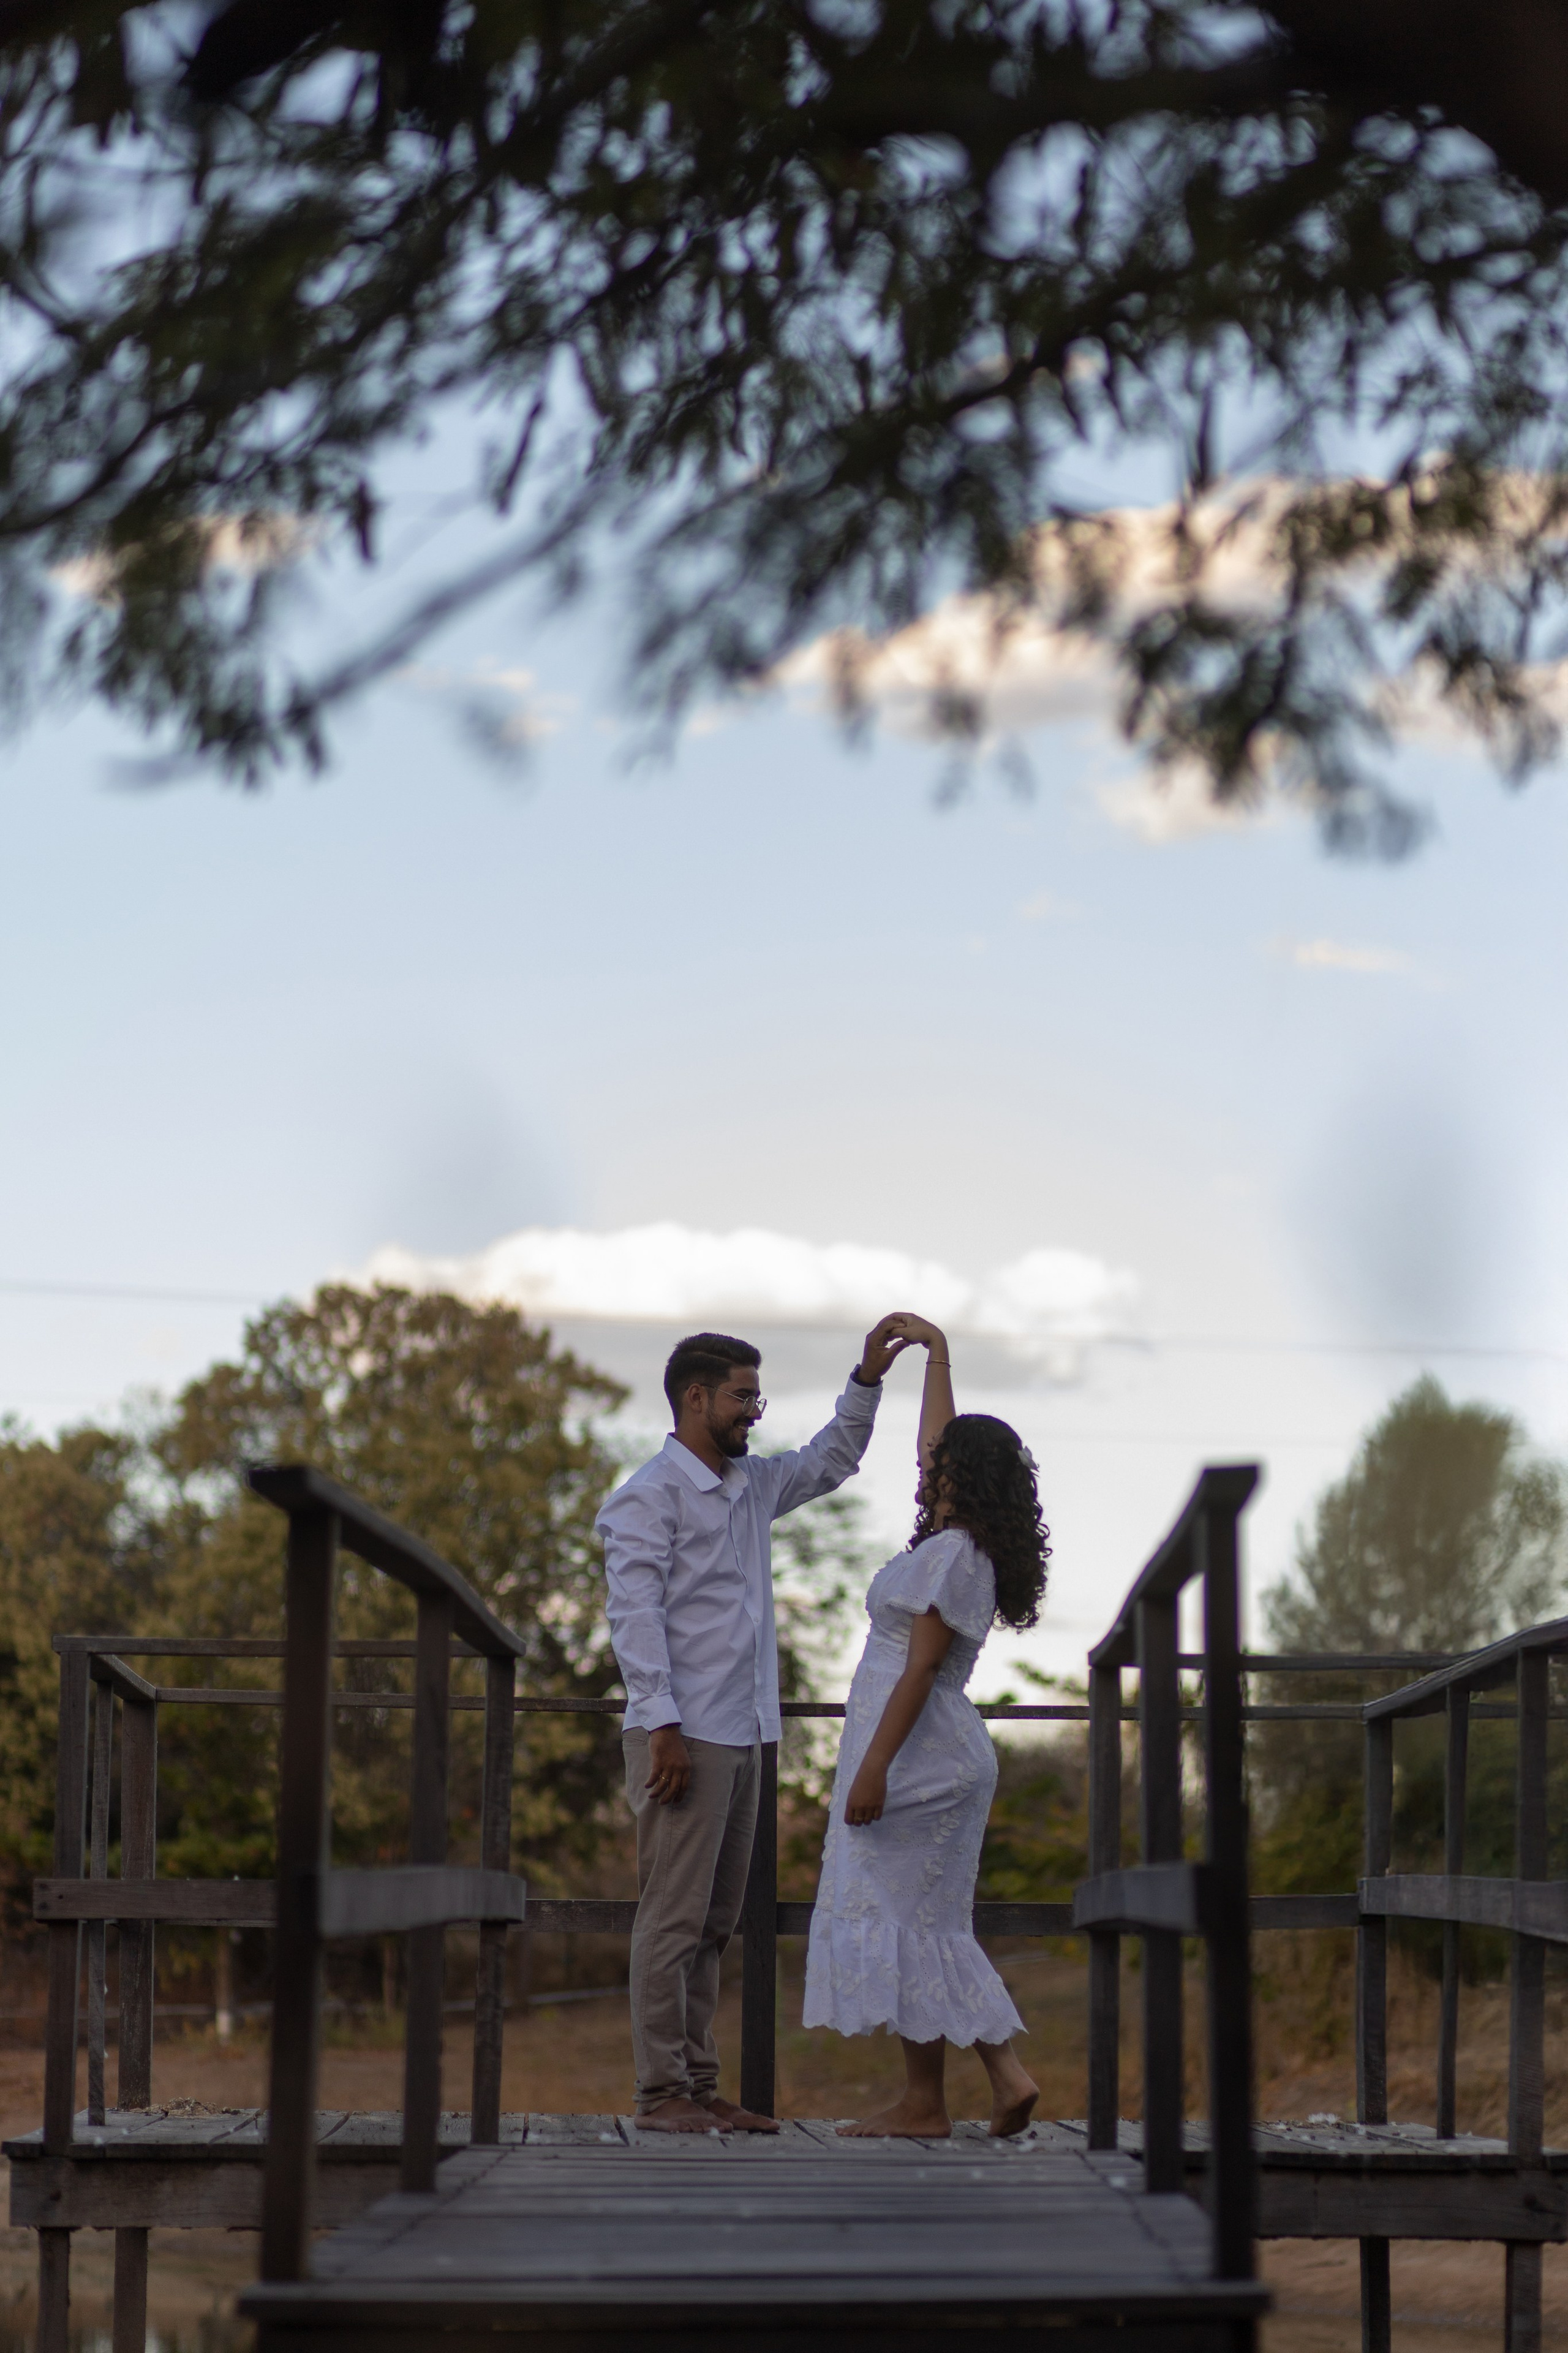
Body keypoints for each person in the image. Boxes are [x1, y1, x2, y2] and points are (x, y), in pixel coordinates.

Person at [597, 1315, 913, 2134]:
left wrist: (867, 1382)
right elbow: (634, 1616)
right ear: (694, 1398)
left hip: (744, 1733)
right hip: (682, 1736)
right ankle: (658, 2091)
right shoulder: (646, 1498)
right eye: (742, 1397)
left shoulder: (751, 1486)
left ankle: (699, 2087)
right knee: (670, 1916)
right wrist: (662, 1724)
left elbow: (829, 1459)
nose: (755, 1412)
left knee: (713, 1922)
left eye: (757, 1396)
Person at [803, 1314, 1050, 2138]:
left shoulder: (951, 1556)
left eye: (942, 1464)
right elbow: (936, 1439)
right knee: (922, 1924)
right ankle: (929, 2101)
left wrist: (872, 1768)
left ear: (965, 1478)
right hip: (924, 1750)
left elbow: (917, 1670)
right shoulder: (963, 1545)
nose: (927, 1464)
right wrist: (935, 1350)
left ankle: (997, 2076)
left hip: (917, 1754)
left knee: (917, 1922)